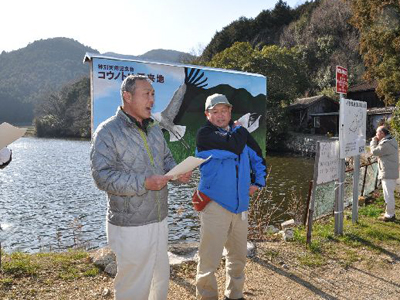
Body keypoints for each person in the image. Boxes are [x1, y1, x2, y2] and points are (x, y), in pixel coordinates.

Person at [90, 75, 191, 300]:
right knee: (132, 286)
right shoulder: (107, 131)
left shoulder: (154, 129)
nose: (152, 100)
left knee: (159, 278)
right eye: (147, 94)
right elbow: (102, 177)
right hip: (130, 224)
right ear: (127, 96)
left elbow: (166, 160)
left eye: (153, 94)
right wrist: (144, 183)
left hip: (159, 218)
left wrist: (177, 173)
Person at [195, 93, 267, 300]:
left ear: (230, 112)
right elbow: (233, 148)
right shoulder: (204, 134)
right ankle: (207, 297)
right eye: (215, 111)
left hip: (240, 206)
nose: (220, 115)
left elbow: (258, 156)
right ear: (207, 115)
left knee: (238, 257)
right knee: (209, 260)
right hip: (214, 205)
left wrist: (258, 182)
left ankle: (234, 295)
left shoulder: (238, 134)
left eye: (224, 111)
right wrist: (241, 132)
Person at [370, 125, 399, 222]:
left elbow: (374, 151)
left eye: (377, 132)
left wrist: (373, 141)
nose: (376, 134)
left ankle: (390, 216)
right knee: (388, 194)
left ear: (382, 133)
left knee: (388, 195)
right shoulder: (391, 140)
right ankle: (390, 213)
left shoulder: (386, 143)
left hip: (388, 173)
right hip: (390, 171)